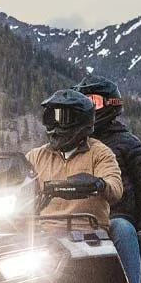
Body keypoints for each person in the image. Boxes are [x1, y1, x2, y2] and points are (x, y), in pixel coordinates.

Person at [76, 76, 141, 283]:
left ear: (110, 104)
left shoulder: (128, 143)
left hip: (118, 216)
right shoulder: (72, 145)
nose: (88, 108)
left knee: (122, 229)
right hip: (79, 218)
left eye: (93, 102)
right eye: (82, 102)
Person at [25, 88, 124, 235]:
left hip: (87, 231)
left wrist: (99, 184)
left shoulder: (99, 153)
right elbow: (16, 184)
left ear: (82, 121)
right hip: (42, 234)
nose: (55, 126)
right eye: (50, 118)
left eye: (62, 118)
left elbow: (115, 187)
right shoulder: (36, 156)